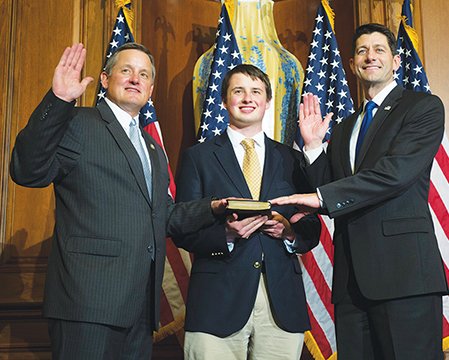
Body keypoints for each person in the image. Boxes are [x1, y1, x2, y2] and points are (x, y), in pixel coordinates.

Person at [10, 42, 227, 360]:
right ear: (104, 79)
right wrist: (58, 101)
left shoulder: (152, 149)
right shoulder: (78, 123)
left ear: (151, 89)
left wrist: (212, 207)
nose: (135, 78)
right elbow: (27, 170)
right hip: (87, 306)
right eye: (126, 70)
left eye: (143, 74)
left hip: (139, 310)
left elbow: (161, 214)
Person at [270, 23, 448, 359]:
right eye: (362, 51)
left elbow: (394, 174)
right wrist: (312, 149)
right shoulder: (346, 126)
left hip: (404, 278)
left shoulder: (422, 108)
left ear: (396, 61)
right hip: (351, 281)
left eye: (379, 50)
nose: (370, 57)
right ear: (352, 64)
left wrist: (319, 198)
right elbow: (334, 186)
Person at [174, 64, 321, 360]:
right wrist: (225, 234)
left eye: (256, 91)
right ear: (224, 100)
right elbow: (180, 225)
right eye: (238, 91)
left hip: (280, 304)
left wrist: (289, 232)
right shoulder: (198, 157)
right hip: (217, 301)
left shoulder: (291, 158)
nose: (247, 98)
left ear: (267, 102)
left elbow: (313, 227)